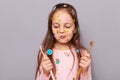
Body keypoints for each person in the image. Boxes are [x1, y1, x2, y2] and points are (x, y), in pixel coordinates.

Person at [35, 3, 92, 80]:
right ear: (51, 28)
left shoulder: (83, 54)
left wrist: (85, 71)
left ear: (75, 28)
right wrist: (45, 73)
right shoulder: (45, 54)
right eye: (56, 26)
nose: (61, 31)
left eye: (67, 26)